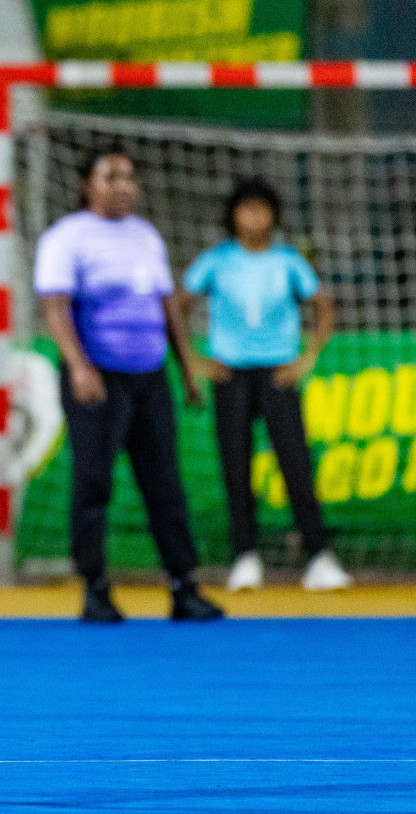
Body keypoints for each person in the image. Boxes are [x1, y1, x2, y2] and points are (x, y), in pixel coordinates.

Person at [34, 147, 224, 625]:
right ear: (87, 185)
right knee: (94, 483)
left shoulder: (146, 236)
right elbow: (56, 308)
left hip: (151, 378)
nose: (124, 186)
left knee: (165, 485)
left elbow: (168, 311)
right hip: (98, 379)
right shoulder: (66, 238)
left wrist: (187, 371)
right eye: (112, 176)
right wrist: (79, 367)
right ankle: (95, 588)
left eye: (130, 178)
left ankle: (184, 587)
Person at [178, 178, 352, 593]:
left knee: (296, 464)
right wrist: (192, 360)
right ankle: (245, 558)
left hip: (278, 374)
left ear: (273, 215)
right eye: (246, 208)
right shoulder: (216, 261)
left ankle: (319, 558)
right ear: (233, 216)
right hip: (231, 375)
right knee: (236, 467)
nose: (254, 216)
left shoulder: (289, 262)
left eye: (262, 208)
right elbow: (176, 306)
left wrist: (307, 358)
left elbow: (323, 308)